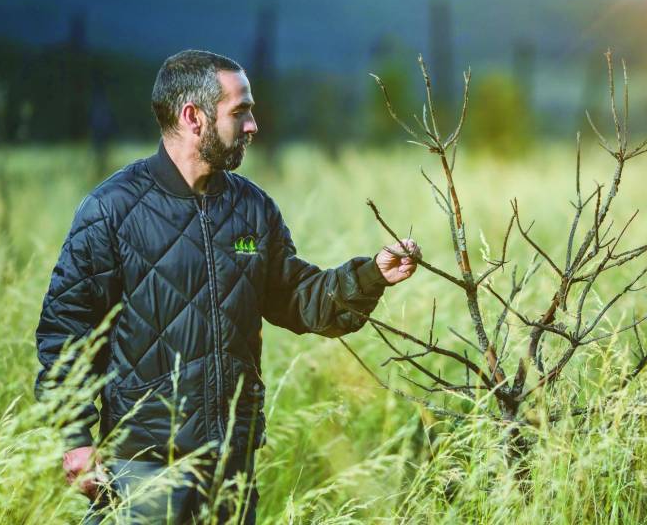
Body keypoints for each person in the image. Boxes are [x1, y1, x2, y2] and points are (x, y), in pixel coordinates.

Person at [34, 49, 419, 523]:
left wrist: (371, 274)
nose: (254, 125)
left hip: (232, 467)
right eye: (240, 111)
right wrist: (75, 439)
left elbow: (299, 301)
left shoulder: (253, 210)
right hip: (143, 468)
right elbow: (64, 333)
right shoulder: (111, 211)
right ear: (192, 117)